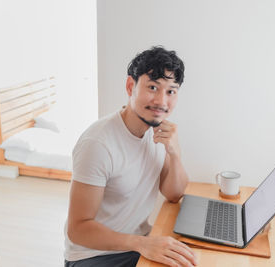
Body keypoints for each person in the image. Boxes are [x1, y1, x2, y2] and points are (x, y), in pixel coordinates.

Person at [64, 46, 198, 267]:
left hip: (134, 245)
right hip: (93, 256)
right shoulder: (98, 144)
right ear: (130, 86)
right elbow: (78, 229)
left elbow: (174, 194)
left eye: (170, 91)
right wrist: (142, 244)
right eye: (153, 87)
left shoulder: (156, 131)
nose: (161, 102)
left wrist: (175, 154)